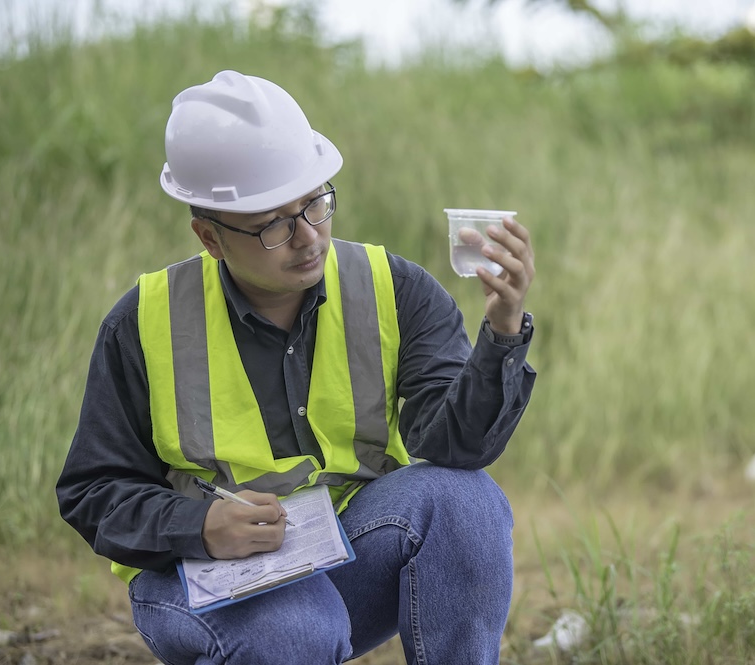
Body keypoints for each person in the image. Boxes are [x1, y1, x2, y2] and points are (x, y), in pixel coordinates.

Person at [56, 70, 536, 665]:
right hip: (205, 578)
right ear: (209, 236)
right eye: (273, 225)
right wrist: (200, 524)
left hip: (344, 559)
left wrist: (503, 332)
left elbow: (453, 446)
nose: (308, 237)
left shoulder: (394, 289)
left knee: (466, 501)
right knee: (294, 629)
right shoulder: (143, 321)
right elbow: (93, 491)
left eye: (315, 203)